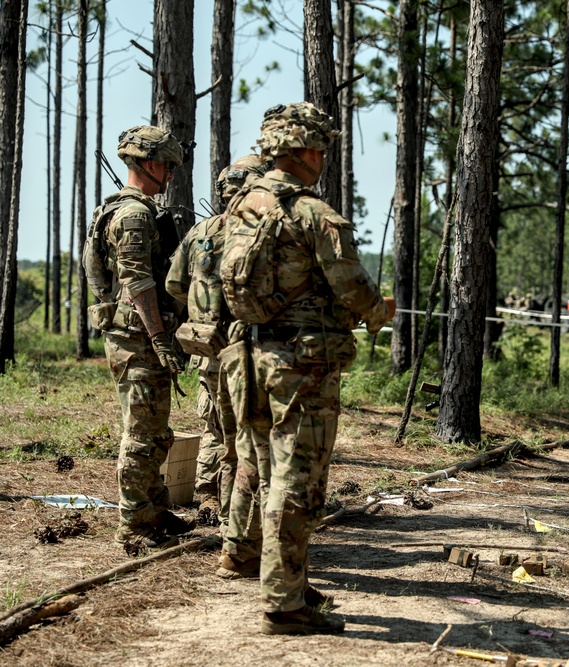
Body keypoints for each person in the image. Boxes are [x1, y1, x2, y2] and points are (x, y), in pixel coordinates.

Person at [219, 102, 394, 635]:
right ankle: (283, 604)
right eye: (319, 148)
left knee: (266, 469)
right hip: (301, 365)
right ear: (300, 151)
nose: (323, 157)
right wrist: (377, 311)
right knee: (296, 480)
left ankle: (278, 575)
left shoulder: (242, 205)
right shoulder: (315, 214)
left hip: (247, 358)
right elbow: (353, 288)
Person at [86, 125, 193, 549]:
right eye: (166, 167)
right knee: (142, 433)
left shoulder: (130, 209)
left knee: (156, 429)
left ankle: (154, 507)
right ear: (149, 164)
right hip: (138, 337)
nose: (169, 175)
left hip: (136, 334)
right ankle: (133, 523)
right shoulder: (134, 215)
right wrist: (160, 337)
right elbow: (138, 281)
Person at [165, 154, 271, 535]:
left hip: (209, 352)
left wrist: (203, 313)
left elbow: (174, 285)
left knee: (216, 428)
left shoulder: (201, 232)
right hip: (250, 354)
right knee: (250, 438)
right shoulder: (263, 231)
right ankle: (237, 518)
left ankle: (212, 497)